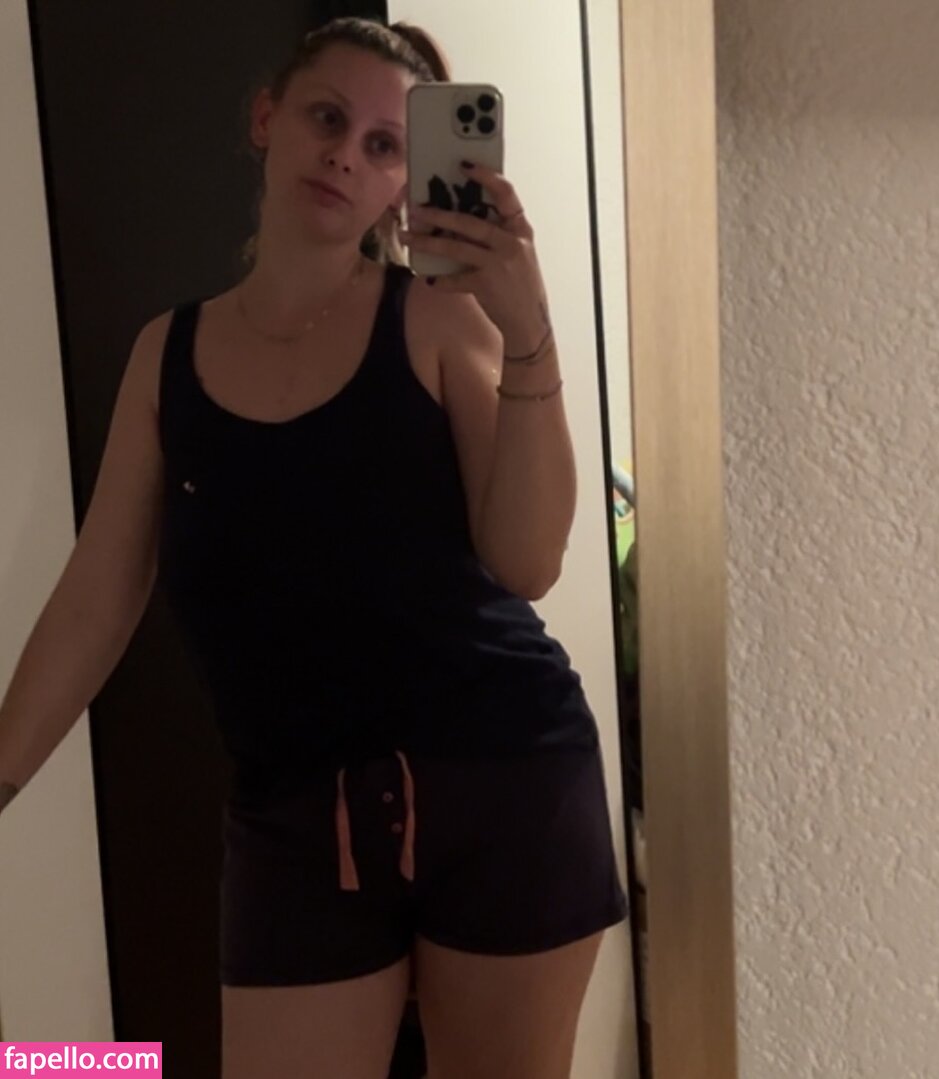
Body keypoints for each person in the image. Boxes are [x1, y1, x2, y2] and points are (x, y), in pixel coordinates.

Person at [0, 16, 628, 1079]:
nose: (346, 155)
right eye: (326, 119)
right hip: (293, 814)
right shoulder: (167, 356)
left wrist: (528, 334)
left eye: (385, 145)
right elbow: (99, 593)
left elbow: (528, 564)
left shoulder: (440, 322)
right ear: (267, 118)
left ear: (402, 182)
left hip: (504, 784)